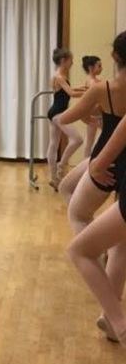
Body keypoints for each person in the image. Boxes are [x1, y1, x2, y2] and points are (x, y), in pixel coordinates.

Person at [58, 32, 126, 343]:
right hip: (114, 159)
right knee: (121, 243)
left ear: (114, 57)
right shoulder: (99, 86)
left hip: (108, 160)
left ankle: (115, 319)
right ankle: (111, 317)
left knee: (77, 215)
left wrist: (92, 109)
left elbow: (65, 117)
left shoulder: (102, 88)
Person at [46, 48, 85, 190]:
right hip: (58, 113)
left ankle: (54, 178)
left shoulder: (60, 76)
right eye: (71, 60)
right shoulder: (59, 77)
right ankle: (61, 166)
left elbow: (71, 89)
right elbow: (72, 93)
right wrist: (90, 92)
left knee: (53, 144)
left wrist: (84, 88)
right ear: (63, 61)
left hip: (55, 113)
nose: (72, 62)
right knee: (77, 139)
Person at [82, 55, 103, 158]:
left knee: (90, 140)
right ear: (91, 68)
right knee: (91, 140)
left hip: (97, 114)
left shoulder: (95, 80)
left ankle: (87, 161)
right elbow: (94, 100)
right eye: (99, 66)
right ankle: (87, 162)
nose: (101, 68)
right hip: (94, 114)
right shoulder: (92, 82)